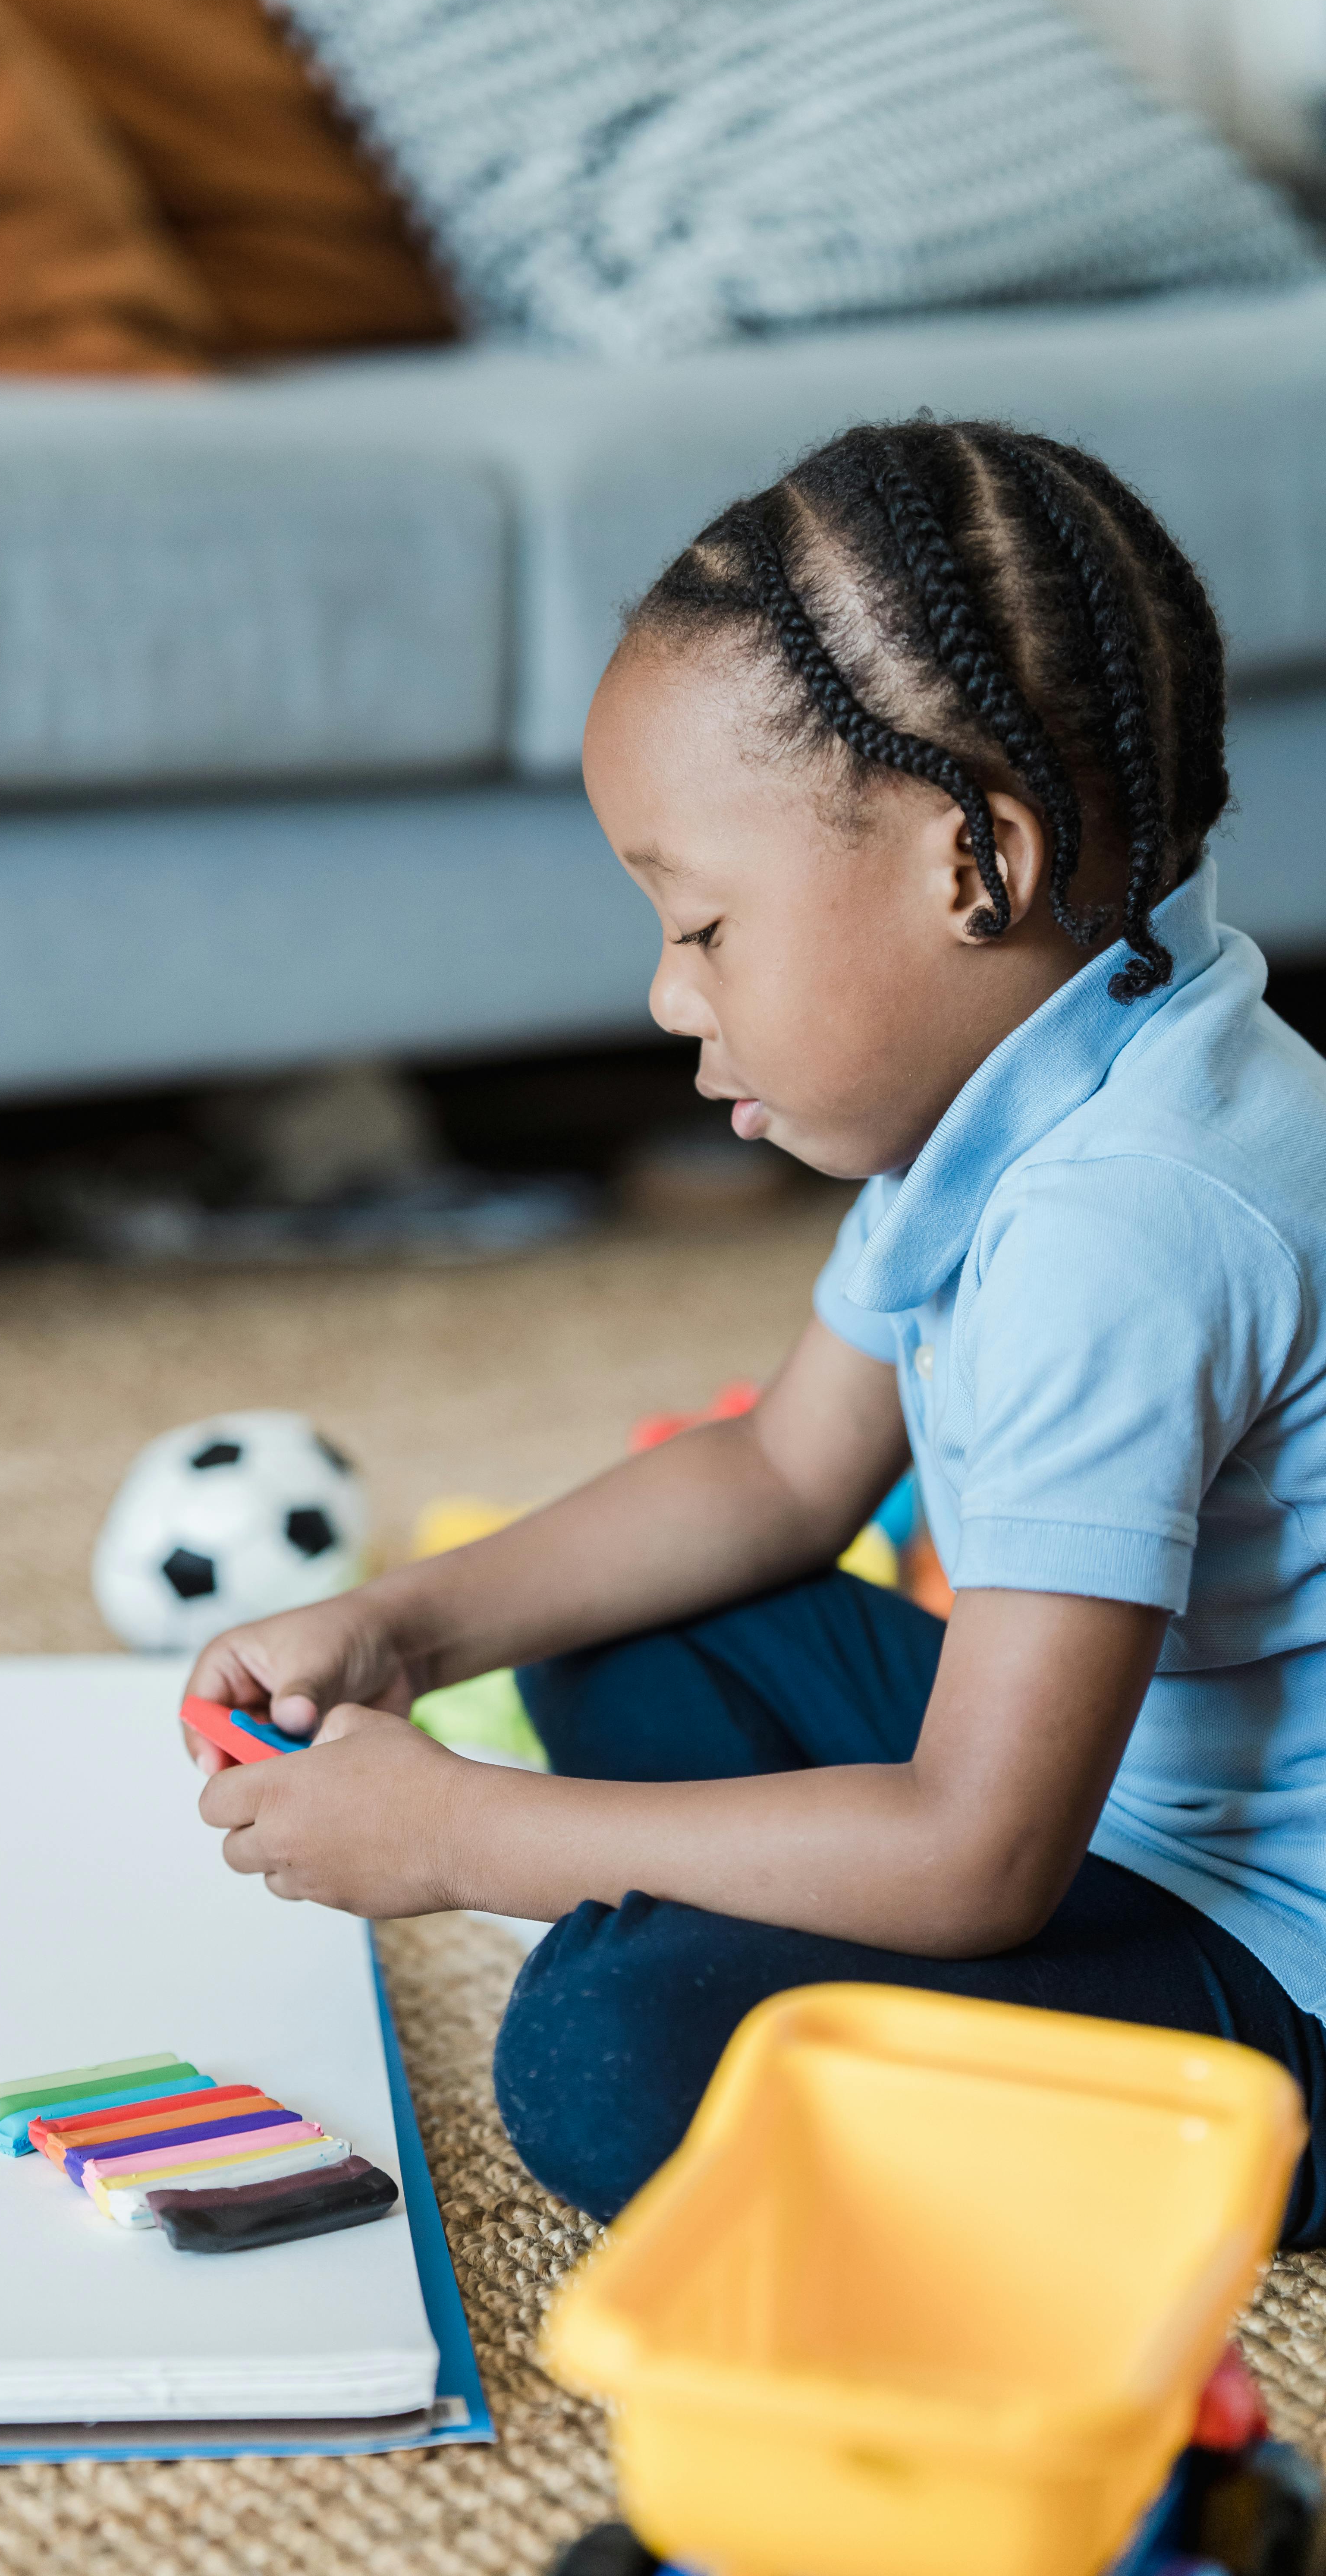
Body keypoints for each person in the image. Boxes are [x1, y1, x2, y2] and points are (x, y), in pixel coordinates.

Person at [187, 417, 1326, 2236]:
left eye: (704, 926)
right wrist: (405, 1624)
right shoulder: (1054, 1060)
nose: (663, 996)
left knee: (606, 2053)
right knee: (632, 1630)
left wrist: (475, 1838)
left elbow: (976, 1853)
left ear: (978, 861)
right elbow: (787, 1472)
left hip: (1278, 1986)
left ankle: (841, 1989)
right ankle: (782, 1917)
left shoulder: (1128, 1222)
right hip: (1104, 1810)